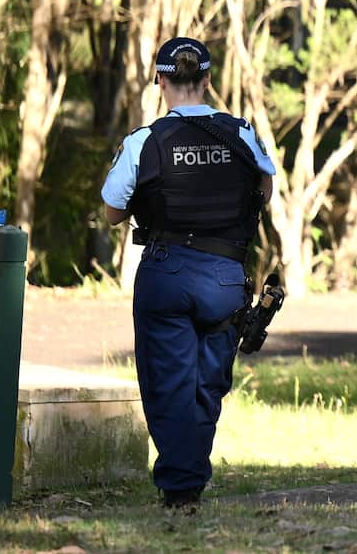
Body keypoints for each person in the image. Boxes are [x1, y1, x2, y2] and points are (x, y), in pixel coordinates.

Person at [101, 36, 276, 509]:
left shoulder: (145, 140)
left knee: (168, 384)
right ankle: (188, 481)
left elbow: (113, 212)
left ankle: (181, 487)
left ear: (160, 79)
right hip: (224, 275)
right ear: (208, 80)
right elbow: (266, 185)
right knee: (208, 384)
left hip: (167, 271)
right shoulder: (240, 133)